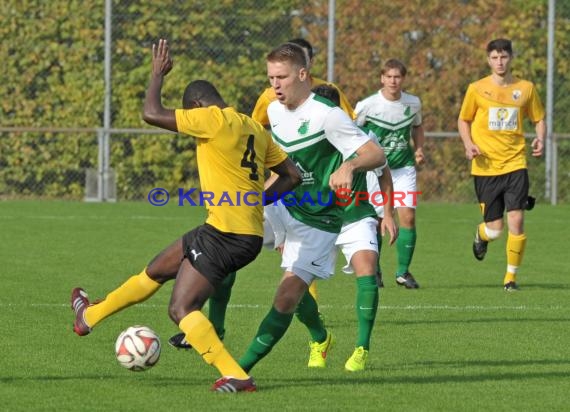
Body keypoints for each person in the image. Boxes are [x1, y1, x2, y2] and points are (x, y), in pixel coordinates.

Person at [70, 38, 302, 393]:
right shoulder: (254, 128)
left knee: (181, 309)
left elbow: (150, 112)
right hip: (238, 232)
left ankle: (236, 375)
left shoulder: (210, 119)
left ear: (195, 105)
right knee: (156, 269)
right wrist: (258, 199)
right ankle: (88, 316)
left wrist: (156, 75)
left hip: (226, 235)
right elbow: (293, 176)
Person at [237, 42, 387, 374]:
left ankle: (237, 370)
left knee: (288, 294)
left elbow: (378, 156)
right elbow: (283, 165)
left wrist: (348, 168)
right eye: (271, 77)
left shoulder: (328, 115)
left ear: (303, 74)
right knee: (227, 246)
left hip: (324, 217)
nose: (275, 85)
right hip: (289, 210)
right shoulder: (274, 112)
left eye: (282, 77)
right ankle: (318, 337)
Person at [311, 84, 398, 371]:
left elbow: (383, 170)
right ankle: (319, 339)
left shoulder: (356, 137)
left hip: (355, 216)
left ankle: (362, 348)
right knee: (295, 288)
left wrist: (387, 214)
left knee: (368, 271)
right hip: (315, 219)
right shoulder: (301, 137)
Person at [458, 38, 546, 291]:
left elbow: (538, 118)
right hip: (485, 167)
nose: (500, 61)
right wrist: (468, 144)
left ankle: (510, 278)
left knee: (517, 220)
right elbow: (463, 120)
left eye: (504, 57)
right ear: (488, 60)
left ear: (511, 58)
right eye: (495, 57)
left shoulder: (526, 88)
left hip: (515, 163)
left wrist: (540, 138)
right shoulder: (476, 88)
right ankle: (481, 234)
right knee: (495, 230)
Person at [355, 58, 425, 289]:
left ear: (403, 79)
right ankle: (374, 270)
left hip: (403, 168)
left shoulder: (413, 103)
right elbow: (353, 131)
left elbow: (417, 126)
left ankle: (403, 272)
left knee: (408, 217)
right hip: (375, 171)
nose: (393, 81)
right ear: (381, 78)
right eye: (389, 76)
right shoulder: (367, 105)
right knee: (376, 221)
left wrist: (420, 149)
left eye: (398, 76)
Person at [251, 38, 355, 127]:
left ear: (311, 62)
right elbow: (255, 128)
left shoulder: (328, 90)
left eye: (302, 59)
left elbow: (350, 122)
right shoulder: (269, 97)